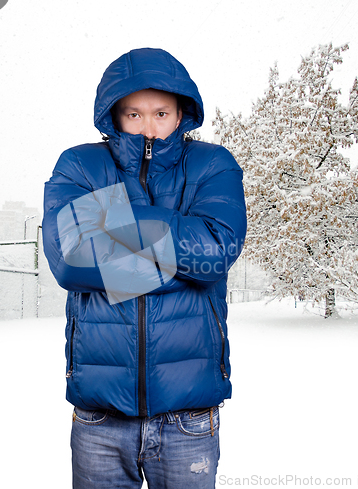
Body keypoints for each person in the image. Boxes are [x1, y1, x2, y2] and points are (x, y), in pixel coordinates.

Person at [42, 47, 247, 489]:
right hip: (100, 418)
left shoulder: (213, 165)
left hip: (188, 417)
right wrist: (180, 264)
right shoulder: (79, 164)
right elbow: (70, 260)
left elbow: (214, 252)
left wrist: (110, 225)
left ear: (181, 113)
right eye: (133, 114)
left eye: (160, 112)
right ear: (114, 115)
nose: (148, 126)